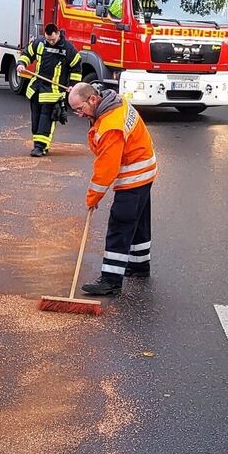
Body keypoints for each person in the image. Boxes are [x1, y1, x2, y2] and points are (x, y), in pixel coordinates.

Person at [67, 82, 156, 296]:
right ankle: (138, 265)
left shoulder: (111, 126)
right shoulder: (113, 100)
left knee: (121, 222)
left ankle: (110, 280)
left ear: (93, 100)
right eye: (75, 110)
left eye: (80, 109)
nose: (79, 115)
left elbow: (107, 168)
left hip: (134, 174)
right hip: (145, 168)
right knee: (139, 220)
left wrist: (93, 197)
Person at [16, 24, 81, 157]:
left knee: (46, 119)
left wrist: (73, 85)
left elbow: (76, 67)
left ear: (58, 34)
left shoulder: (68, 49)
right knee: (36, 119)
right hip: (37, 88)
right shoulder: (39, 43)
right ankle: (38, 145)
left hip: (53, 91)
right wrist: (21, 64)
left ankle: (41, 147)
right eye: (48, 40)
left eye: (52, 40)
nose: (50, 42)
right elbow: (27, 54)